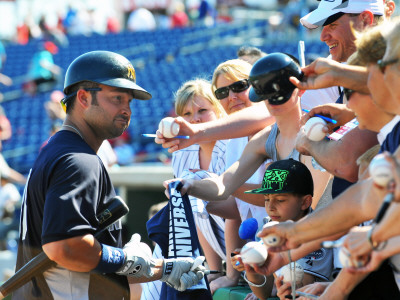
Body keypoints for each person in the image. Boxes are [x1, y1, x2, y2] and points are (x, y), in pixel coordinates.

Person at [13, 50, 205, 299]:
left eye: (129, 101)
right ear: (83, 98)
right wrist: (126, 258)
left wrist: (162, 268)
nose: (127, 109)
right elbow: (66, 247)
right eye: (117, 98)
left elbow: (90, 259)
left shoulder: (60, 149)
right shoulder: (78, 160)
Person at [163, 53, 331, 230]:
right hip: (290, 244)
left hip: (324, 244)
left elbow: (309, 209)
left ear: (300, 89)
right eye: (266, 92)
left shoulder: (315, 136)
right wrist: (189, 185)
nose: (272, 98)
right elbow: (224, 185)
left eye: (280, 90)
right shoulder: (264, 141)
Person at [141, 78, 228, 299]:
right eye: (187, 114)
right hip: (214, 251)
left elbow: (239, 210)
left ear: (219, 110)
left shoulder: (231, 144)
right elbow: (192, 216)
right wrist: (215, 270)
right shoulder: (181, 152)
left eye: (203, 110)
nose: (195, 119)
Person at [232, 159, 333, 300]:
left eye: (279, 200)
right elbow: (263, 294)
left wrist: (276, 280)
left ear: (305, 202)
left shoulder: (316, 233)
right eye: (267, 199)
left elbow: (301, 290)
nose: (270, 207)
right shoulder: (269, 226)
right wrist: (252, 268)